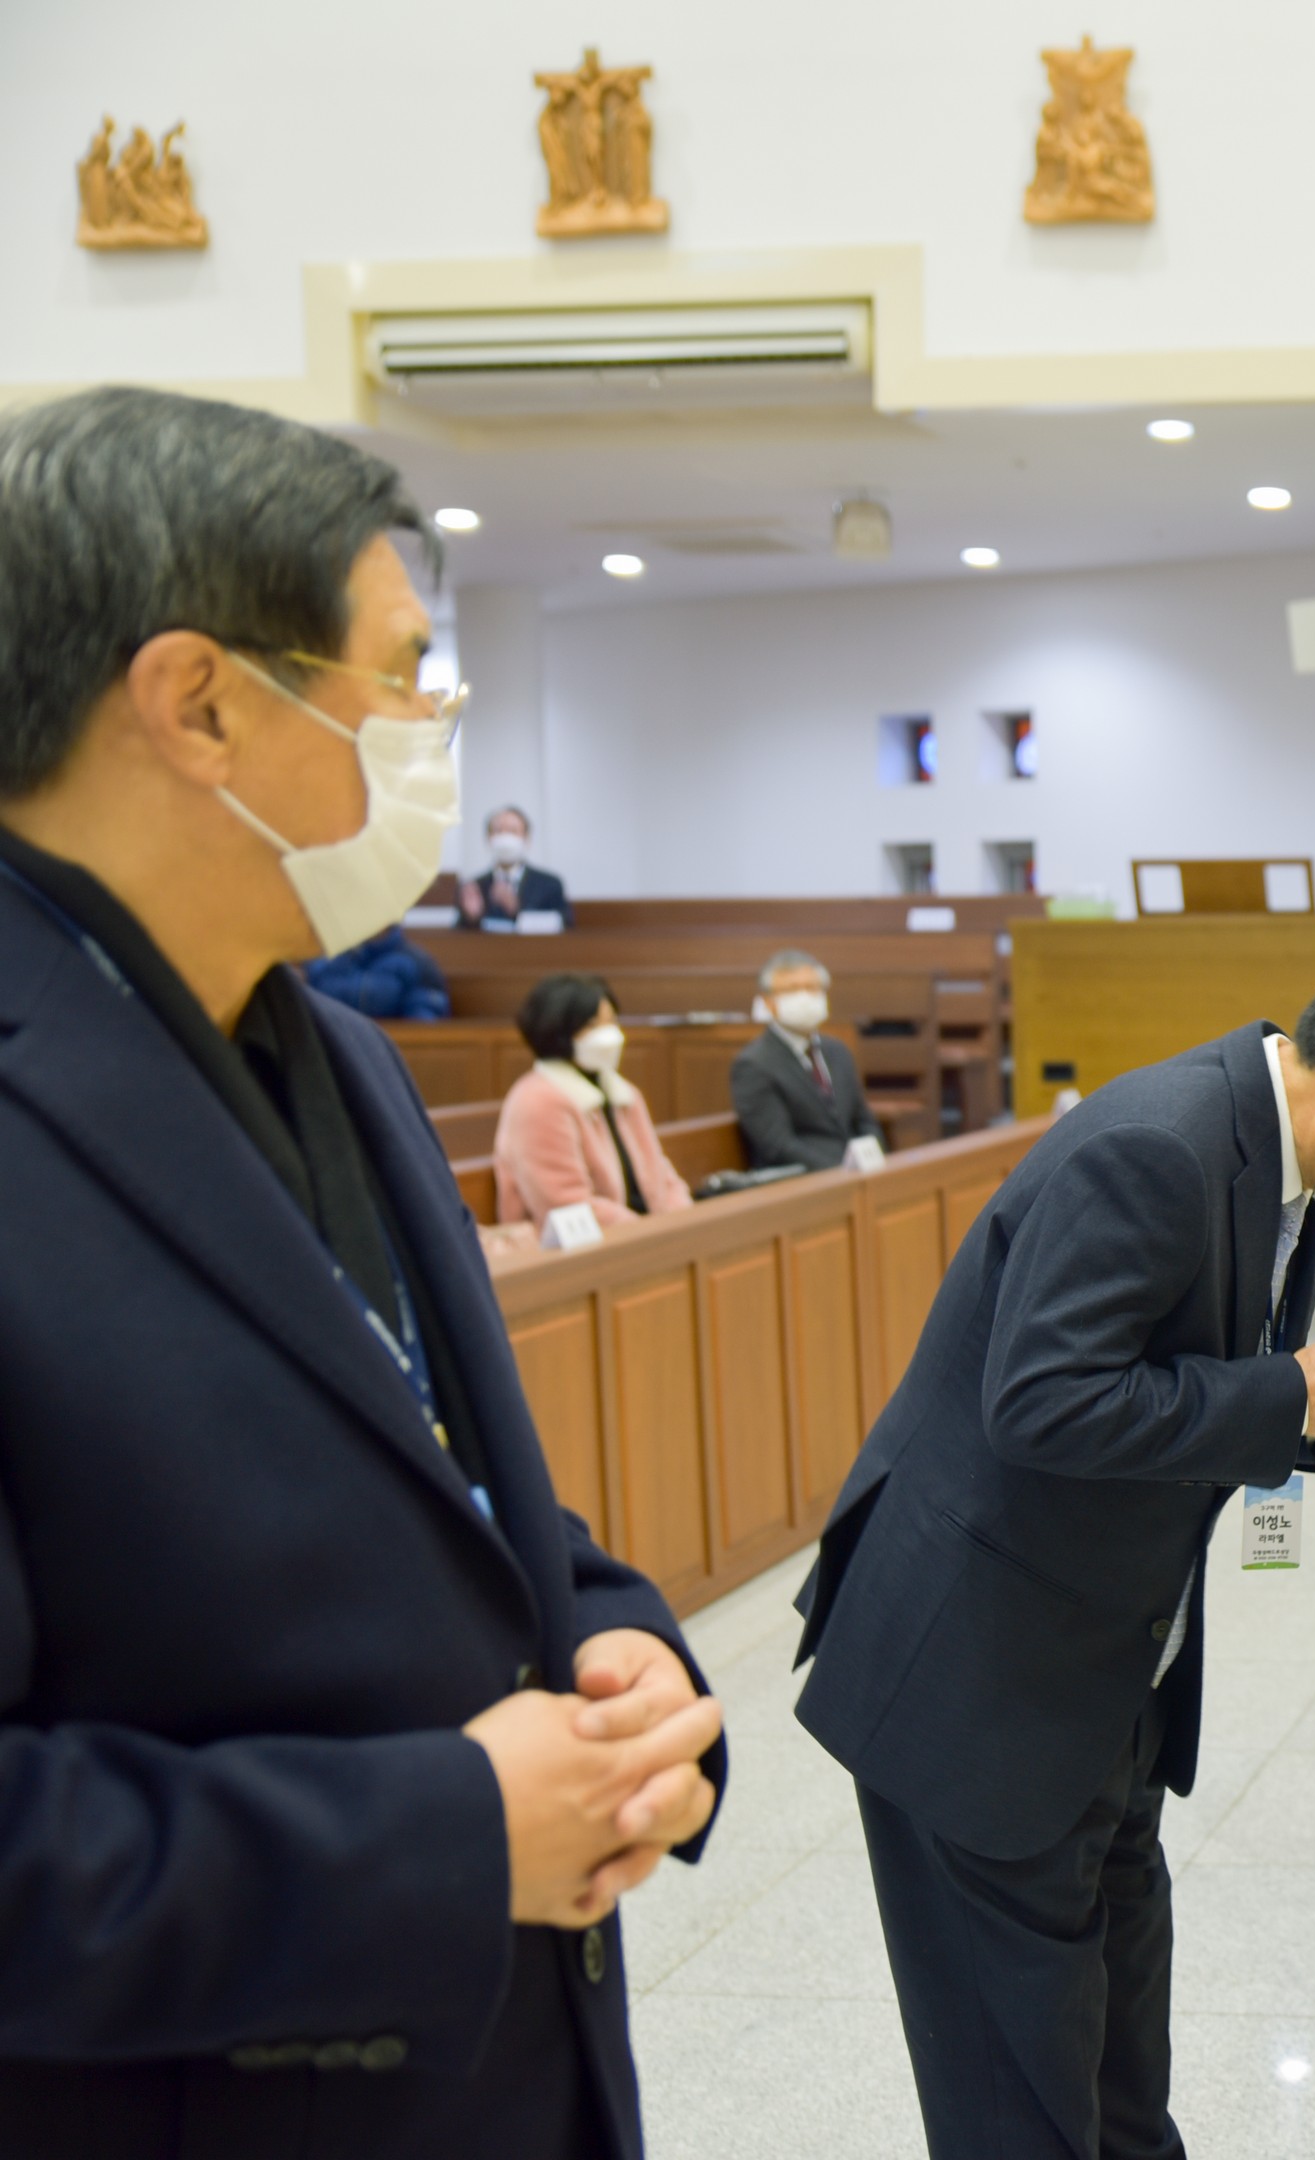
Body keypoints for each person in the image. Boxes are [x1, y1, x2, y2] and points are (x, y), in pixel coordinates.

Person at [0, 383, 725, 2157]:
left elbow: (444, 1494)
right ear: (200, 704)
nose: (435, 728)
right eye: (403, 674)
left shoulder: (339, 1053)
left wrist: (618, 1649)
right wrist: (456, 1835)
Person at [792, 921, 1315, 2160]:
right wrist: (1299, 1399)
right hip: (977, 1685)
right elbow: (1041, 1402)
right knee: (1019, 2107)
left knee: (1118, 2092)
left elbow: (1214, 1376)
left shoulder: (1290, 1161)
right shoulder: (1160, 1146)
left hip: (1105, 1679)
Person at [494, 972, 693, 1228]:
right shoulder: (536, 1101)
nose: (609, 1034)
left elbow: (661, 1174)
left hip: (641, 1237)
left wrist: (683, 1221)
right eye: (592, 1025)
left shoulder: (624, 1093)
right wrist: (649, 1234)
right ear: (558, 1032)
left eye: (611, 1022)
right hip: (578, 1252)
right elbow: (565, 1204)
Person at [731, 947, 884, 1172]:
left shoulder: (837, 1051)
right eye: (792, 989)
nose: (804, 997)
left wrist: (877, 1161)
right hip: (804, 1182)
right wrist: (839, 1173)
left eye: (812, 988)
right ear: (769, 1002)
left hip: (855, 1174)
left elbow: (864, 1120)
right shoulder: (754, 1064)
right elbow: (778, 1145)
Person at [305, 919, 453, 1020]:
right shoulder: (329, 959)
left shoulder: (416, 962)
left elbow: (425, 1028)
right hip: (337, 1051)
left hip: (389, 1055)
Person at [459, 805, 567, 929]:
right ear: (488, 838)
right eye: (498, 831)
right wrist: (472, 918)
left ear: (526, 838)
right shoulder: (475, 886)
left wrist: (517, 910)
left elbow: (564, 925)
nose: (505, 837)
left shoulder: (549, 884)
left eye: (512, 831)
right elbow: (457, 937)